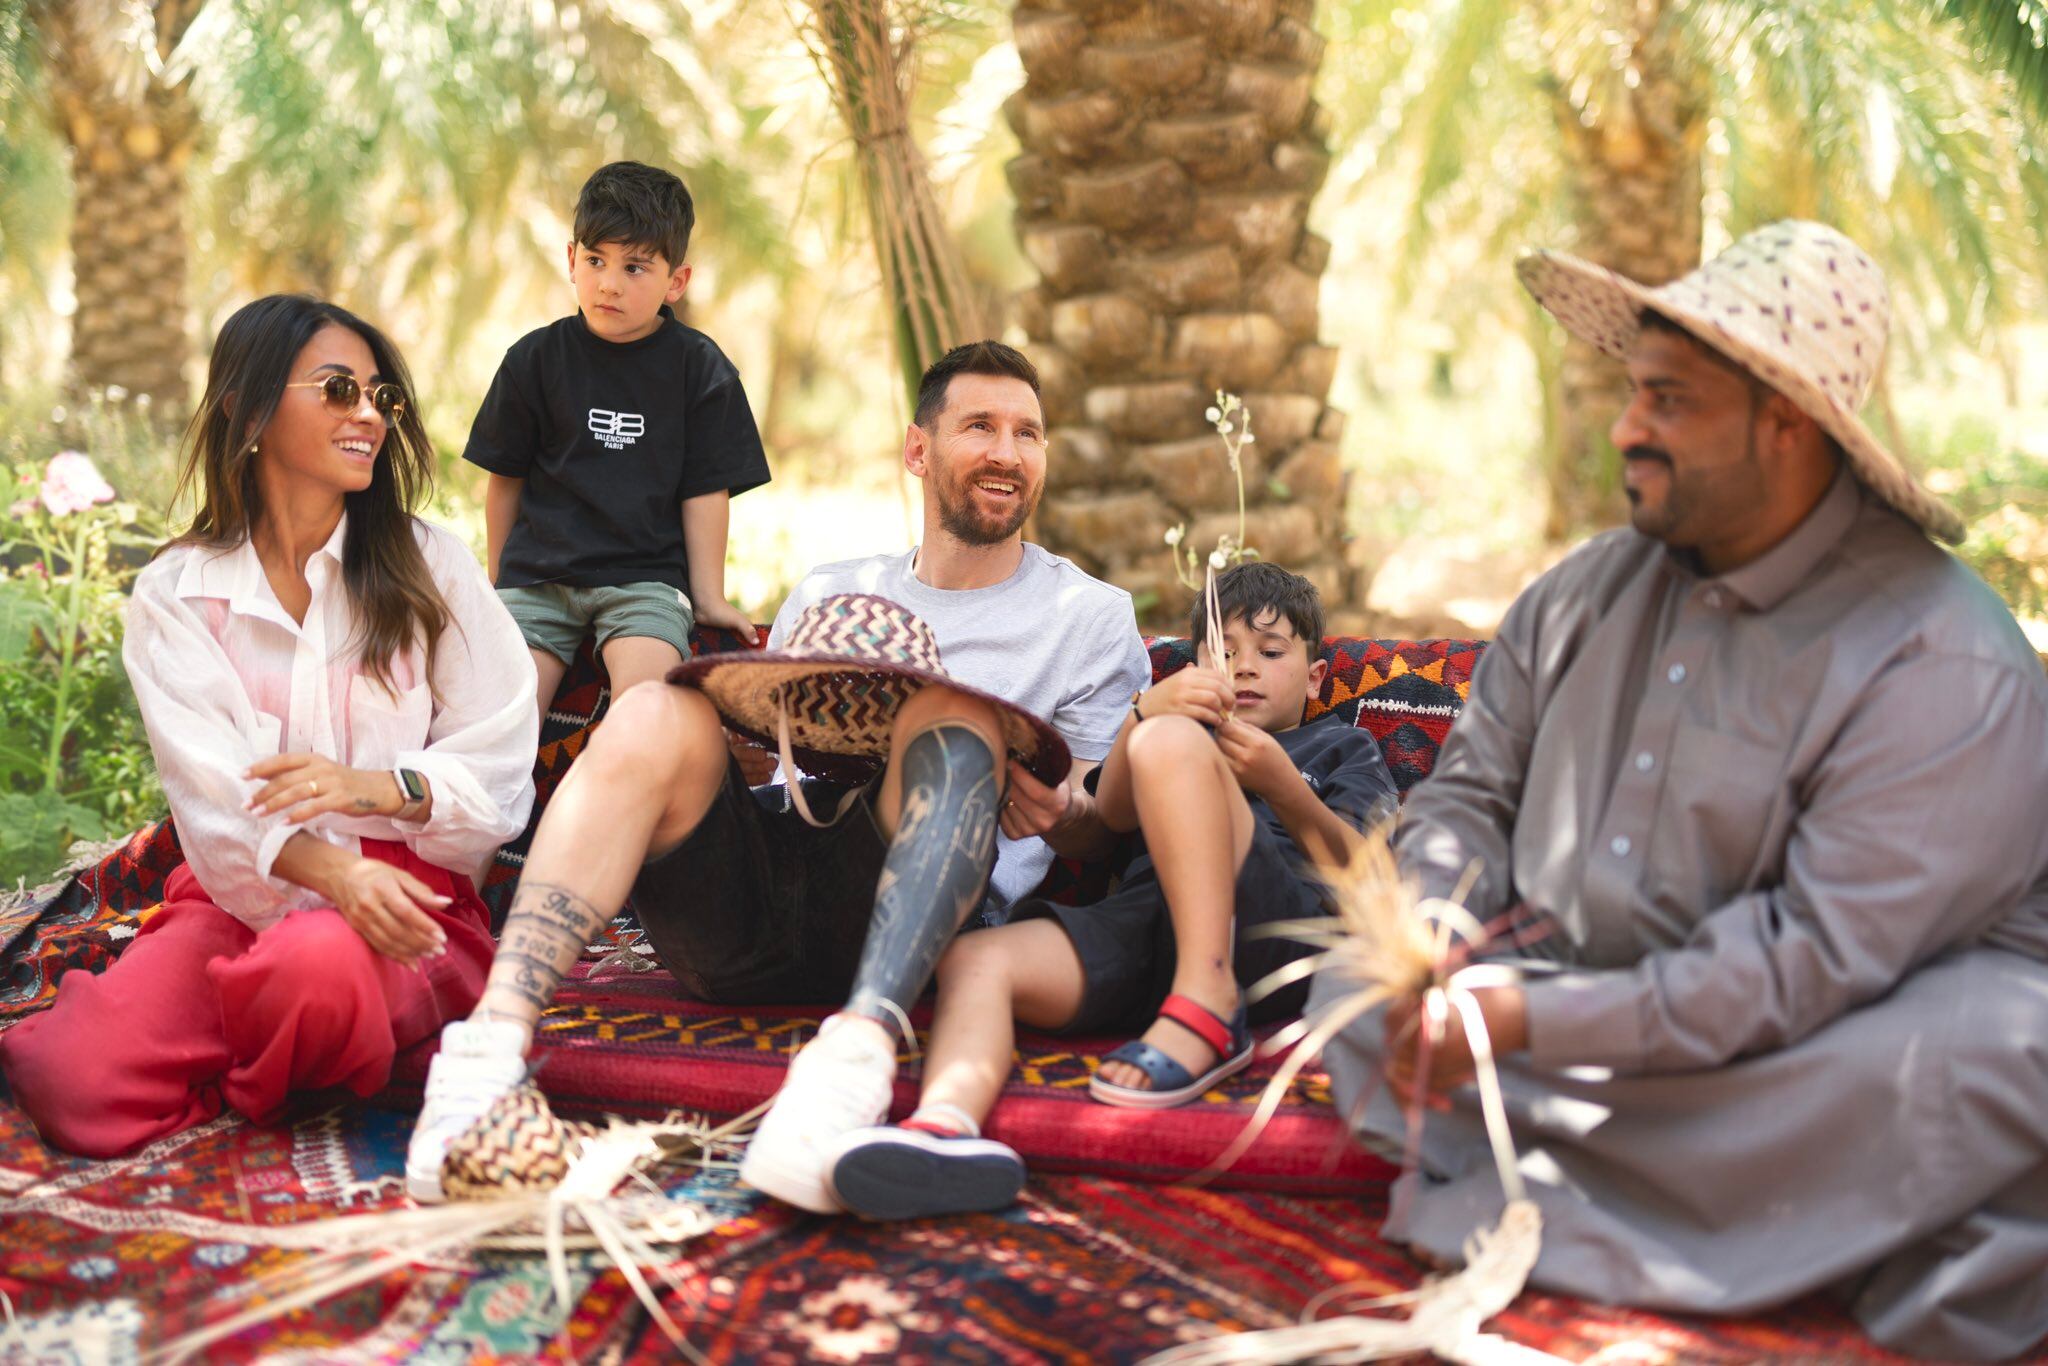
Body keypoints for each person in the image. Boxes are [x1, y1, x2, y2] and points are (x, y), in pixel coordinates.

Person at [1311, 221, 2048, 1361]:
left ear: (1785, 423)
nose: (1623, 429)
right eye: (1630, 393)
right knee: (1348, 992)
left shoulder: (1937, 657)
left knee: (1999, 1049)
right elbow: (1465, 799)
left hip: (1804, 1055)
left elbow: (1804, 962)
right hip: (1565, 1016)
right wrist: (1435, 936)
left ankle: (1576, 1178)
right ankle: (1737, 1215)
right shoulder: (1576, 596)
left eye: (1667, 400)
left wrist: (1522, 1021)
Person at [405, 340, 1153, 1211]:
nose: (1007, 452)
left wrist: (1058, 812)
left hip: (917, 927)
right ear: (918, 451)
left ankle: (847, 1076)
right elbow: (764, 767)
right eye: (979, 426)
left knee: (958, 717)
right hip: (740, 911)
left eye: (1028, 433)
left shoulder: (1090, 618)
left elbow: (1104, 825)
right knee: (655, 707)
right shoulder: (833, 590)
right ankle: (486, 1058)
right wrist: (753, 751)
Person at [0, 295, 539, 1158]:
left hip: (406, 902)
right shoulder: (178, 593)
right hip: (239, 898)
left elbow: (504, 756)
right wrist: (326, 872)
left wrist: (380, 789)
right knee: (70, 1081)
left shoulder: (429, 563)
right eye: (336, 389)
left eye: (382, 397)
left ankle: (256, 1067)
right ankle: (293, 1056)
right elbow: (211, 798)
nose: (369, 414)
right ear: (247, 410)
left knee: (316, 970)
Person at [824, 563, 1398, 1219]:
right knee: (975, 960)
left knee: (1173, 742)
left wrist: (1283, 784)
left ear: (1317, 677)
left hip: (1273, 936)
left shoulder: (1337, 746)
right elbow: (1114, 815)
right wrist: (1142, 716)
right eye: (1224, 653)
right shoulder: (1172, 731)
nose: (1244, 670)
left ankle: (1209, 1006)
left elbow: (1373, 882)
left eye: (1269, 654)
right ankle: (943, 1128)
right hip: (1148, 929)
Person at [465, 159, 770, 718]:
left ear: (675, 281)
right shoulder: (533, 360)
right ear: (571, 259)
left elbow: (705, 493)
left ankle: (618, 795)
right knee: (502, 716)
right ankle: (499, 806)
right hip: (538, 577)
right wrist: (496, 582)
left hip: (645, 580)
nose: (608, 283)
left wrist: (708, 596)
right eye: (596, 260)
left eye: (635, 268)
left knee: (645, 710)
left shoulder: (700, 370)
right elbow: (505, 478)